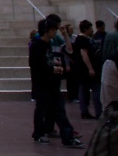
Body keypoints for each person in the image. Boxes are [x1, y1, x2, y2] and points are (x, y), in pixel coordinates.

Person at [29, 17, 83, 148]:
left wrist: (65, 35)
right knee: (42, 111)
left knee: (59, 111)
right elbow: (38, 67)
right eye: (53, 30)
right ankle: (39, 133)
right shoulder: (36, 45)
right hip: (42, 85)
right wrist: (55, 70)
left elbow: (68, 52)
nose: (55, 32)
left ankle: (67, 136)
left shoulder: (51, 44)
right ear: (47, 30)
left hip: (53, 84)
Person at [75, 19, 103, 119]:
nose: (92, 30)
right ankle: (98, 111)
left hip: (83, 70)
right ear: (86, 29)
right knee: (96, 89)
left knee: (84, 90)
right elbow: (84, 54)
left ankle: (85, 111)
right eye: (90, 28)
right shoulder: (83, 40)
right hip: (86, 70)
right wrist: (90, 68)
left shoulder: (82, 39)